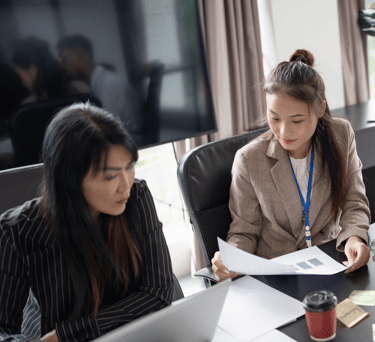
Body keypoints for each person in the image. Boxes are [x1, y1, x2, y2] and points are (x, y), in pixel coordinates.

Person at [0, 102, 173, 341]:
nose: (126, 185)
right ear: (69, 179)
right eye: (110, 175)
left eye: (130, 167)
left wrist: (66, 334)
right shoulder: (16, 231)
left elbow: (159, 292)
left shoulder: (137, 196)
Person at [211, 49, 371, 281]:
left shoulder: (340, 135)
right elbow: (244, 230)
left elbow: (353, 200)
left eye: (296, 120)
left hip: (332, 261)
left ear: (320, 109)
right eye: (274, 118)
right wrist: (232, 259)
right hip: (276, 273)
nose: (284, 132)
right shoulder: (249, 159)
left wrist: (354, 238)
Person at [57, 34, 142, 132]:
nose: (60, 64)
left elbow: (107, 130)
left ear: (81, 56)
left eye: (63, 58)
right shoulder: (94, 83)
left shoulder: (110, 85)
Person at [12, 36, 87, 105]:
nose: (22, 83)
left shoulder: (29, 106)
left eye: (20, 76)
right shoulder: (81, 88)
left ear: (32, 70)